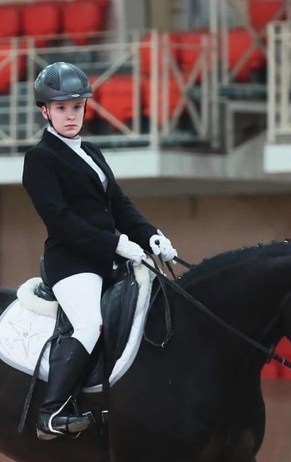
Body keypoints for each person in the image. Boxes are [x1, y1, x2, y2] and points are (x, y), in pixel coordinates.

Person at [21, 61, 177, 439]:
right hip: (72, 262)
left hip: (109, 258)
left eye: (76, 107)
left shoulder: (90, 151)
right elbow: (60, 220)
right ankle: (50, 413)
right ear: (45, 112)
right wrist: (115, 243)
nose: (70, 115)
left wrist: (150, 236)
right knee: (90, 323)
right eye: (61, 108)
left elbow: (119, 205)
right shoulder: (40, 159)